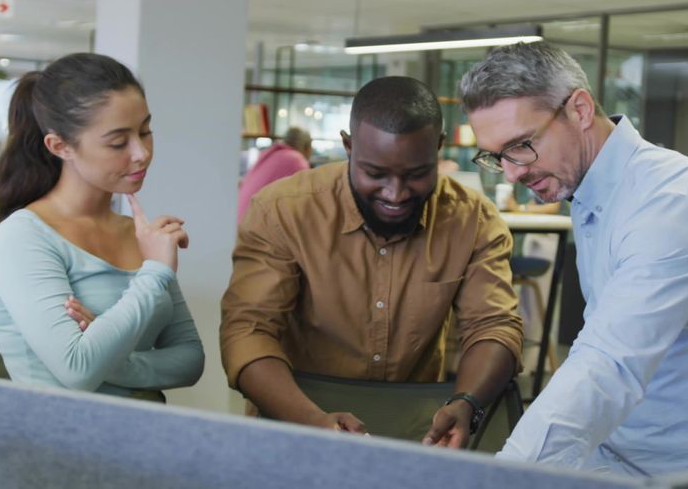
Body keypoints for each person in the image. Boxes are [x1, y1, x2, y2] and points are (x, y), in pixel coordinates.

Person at [459, 42, 688, 476]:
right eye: (496, 156)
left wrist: (500, 479)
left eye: (521, 145)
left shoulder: (673, 205)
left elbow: (607, 365)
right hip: (622, 455)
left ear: (579, 110)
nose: (512, 173)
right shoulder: (590, 189)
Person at [220, 76, 523, 448]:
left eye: (416, 174)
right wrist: (311, 420)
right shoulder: (283, 211)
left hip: (419, 435)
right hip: (294, 423)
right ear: (348, 147)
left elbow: (494, 327)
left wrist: (467, 402)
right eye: (375, 174)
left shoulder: (473, 220)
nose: (395, 194)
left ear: (438, 149)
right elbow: (247, 331)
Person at [0, 53, 204, 401]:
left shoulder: (139, 234)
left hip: (147, 439)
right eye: (118, 142)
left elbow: (191, 360)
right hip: (62, 445)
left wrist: (112, 358)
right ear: (60, 146)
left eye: (145, 131)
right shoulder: (22, 238)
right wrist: (155, 272)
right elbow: (78, 368)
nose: (141, 152)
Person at [237, 126, 312, 223]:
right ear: (308, 148)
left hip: (238, 224)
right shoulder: (296, 160)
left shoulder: (270, 153)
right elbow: (306, 205)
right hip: (251, 229)